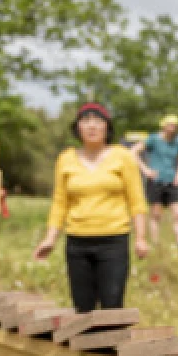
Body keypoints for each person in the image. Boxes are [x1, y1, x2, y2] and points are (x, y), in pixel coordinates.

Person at [33, 102, 149, 312]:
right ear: (78, 127)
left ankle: (111, 345)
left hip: (114, 241)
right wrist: (50, 239)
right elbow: (60, 203)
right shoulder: (66, 159)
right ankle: (85, 346)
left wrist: (140, 238)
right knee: (82, 309)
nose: (92, 126)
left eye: (98, 121)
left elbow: (136, 200)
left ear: (107, 127)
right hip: (77, 242)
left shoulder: (123, 156)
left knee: (112, 306)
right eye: (86, 121)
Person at [132, 115, 178, 249]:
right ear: (163, 125)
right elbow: (133, 151)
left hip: (171, 183)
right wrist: (145, 170)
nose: (173, 128)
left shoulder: (177, 143)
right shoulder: (153, 139)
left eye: (175, 126)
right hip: (156, 181)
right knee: (156, 214)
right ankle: (155, 244)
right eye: (170, 125)